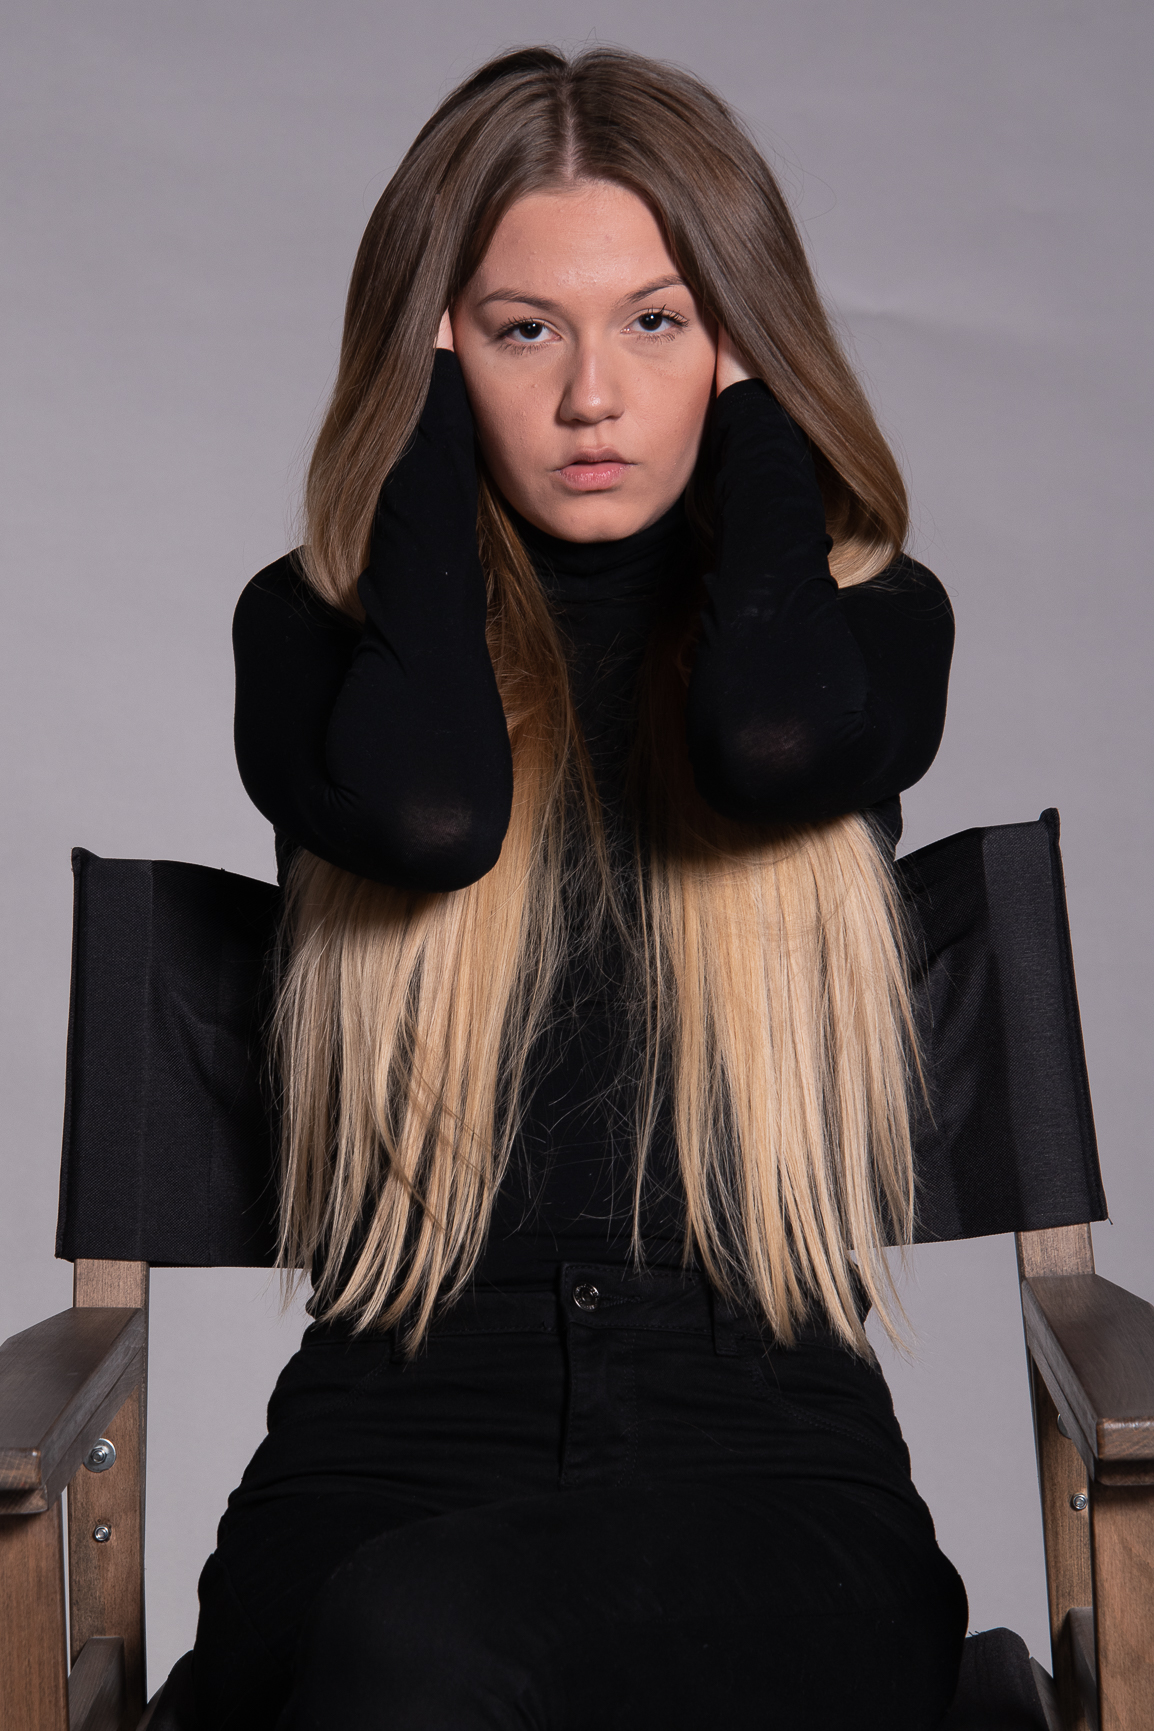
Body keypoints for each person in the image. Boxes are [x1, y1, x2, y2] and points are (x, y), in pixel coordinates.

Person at [190, 44, 966, 1730]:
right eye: (523, 329)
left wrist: (762, 423)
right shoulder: (319, 641)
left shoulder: (859, 628)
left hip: (765, 1456)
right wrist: (411, 429)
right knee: (392, 1634)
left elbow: (766, 746)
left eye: (659, 322)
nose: (592, 397)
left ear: (744, 345)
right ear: (435, 345)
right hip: (388, 1437)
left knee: (422, 1639)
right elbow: (426, 815)